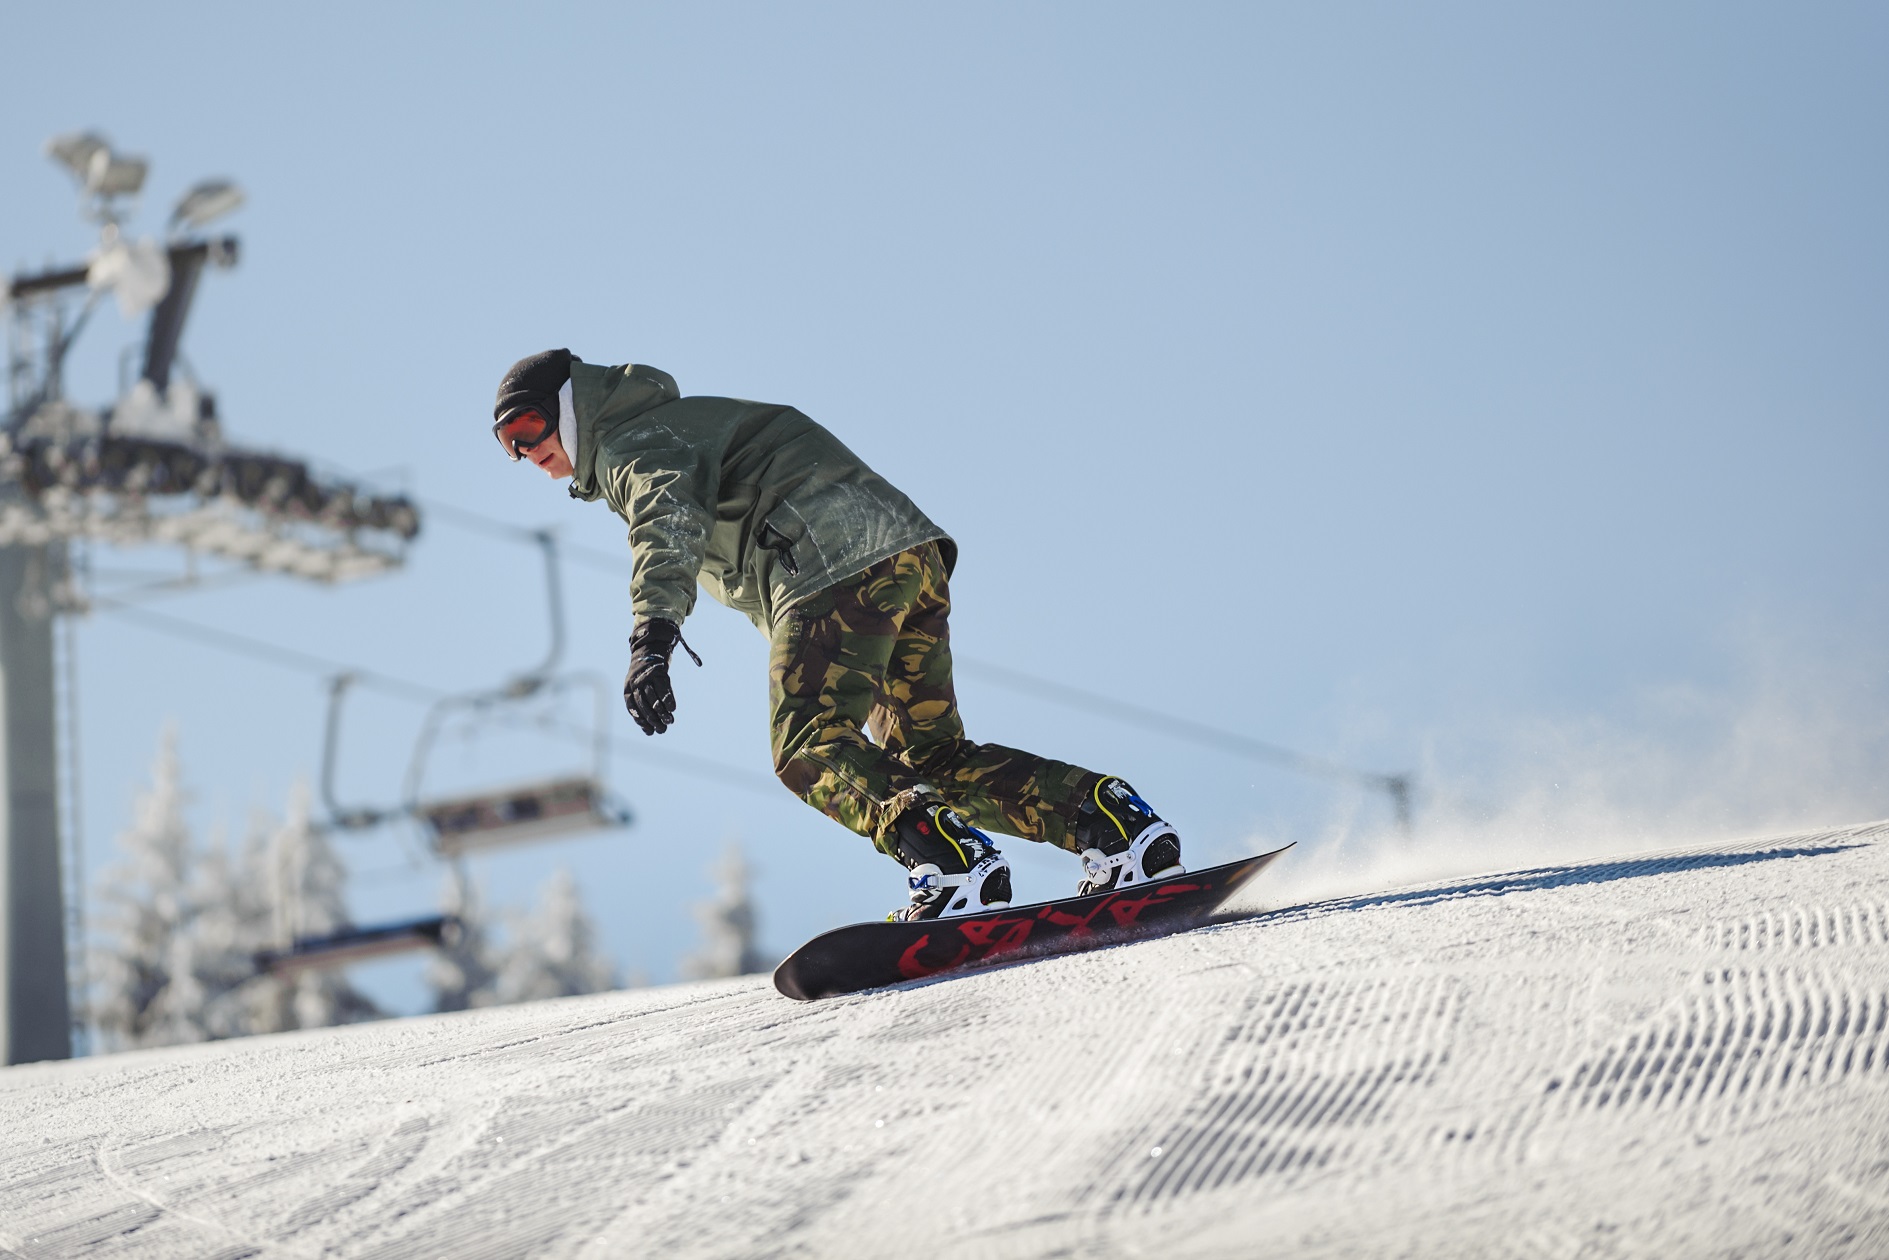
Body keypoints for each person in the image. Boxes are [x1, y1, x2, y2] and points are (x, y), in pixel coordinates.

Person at [492, 349, 1183, 921]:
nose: (526, 451)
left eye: (527, 424)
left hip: (829, 564)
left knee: (807, 742)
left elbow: (665, 526)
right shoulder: (673, 425)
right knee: (928, 758)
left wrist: (651, 639)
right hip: (905, 555)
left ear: (570, 405)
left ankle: (949, 862)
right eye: (507, 446)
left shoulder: (632, 441)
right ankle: (1109, 822)